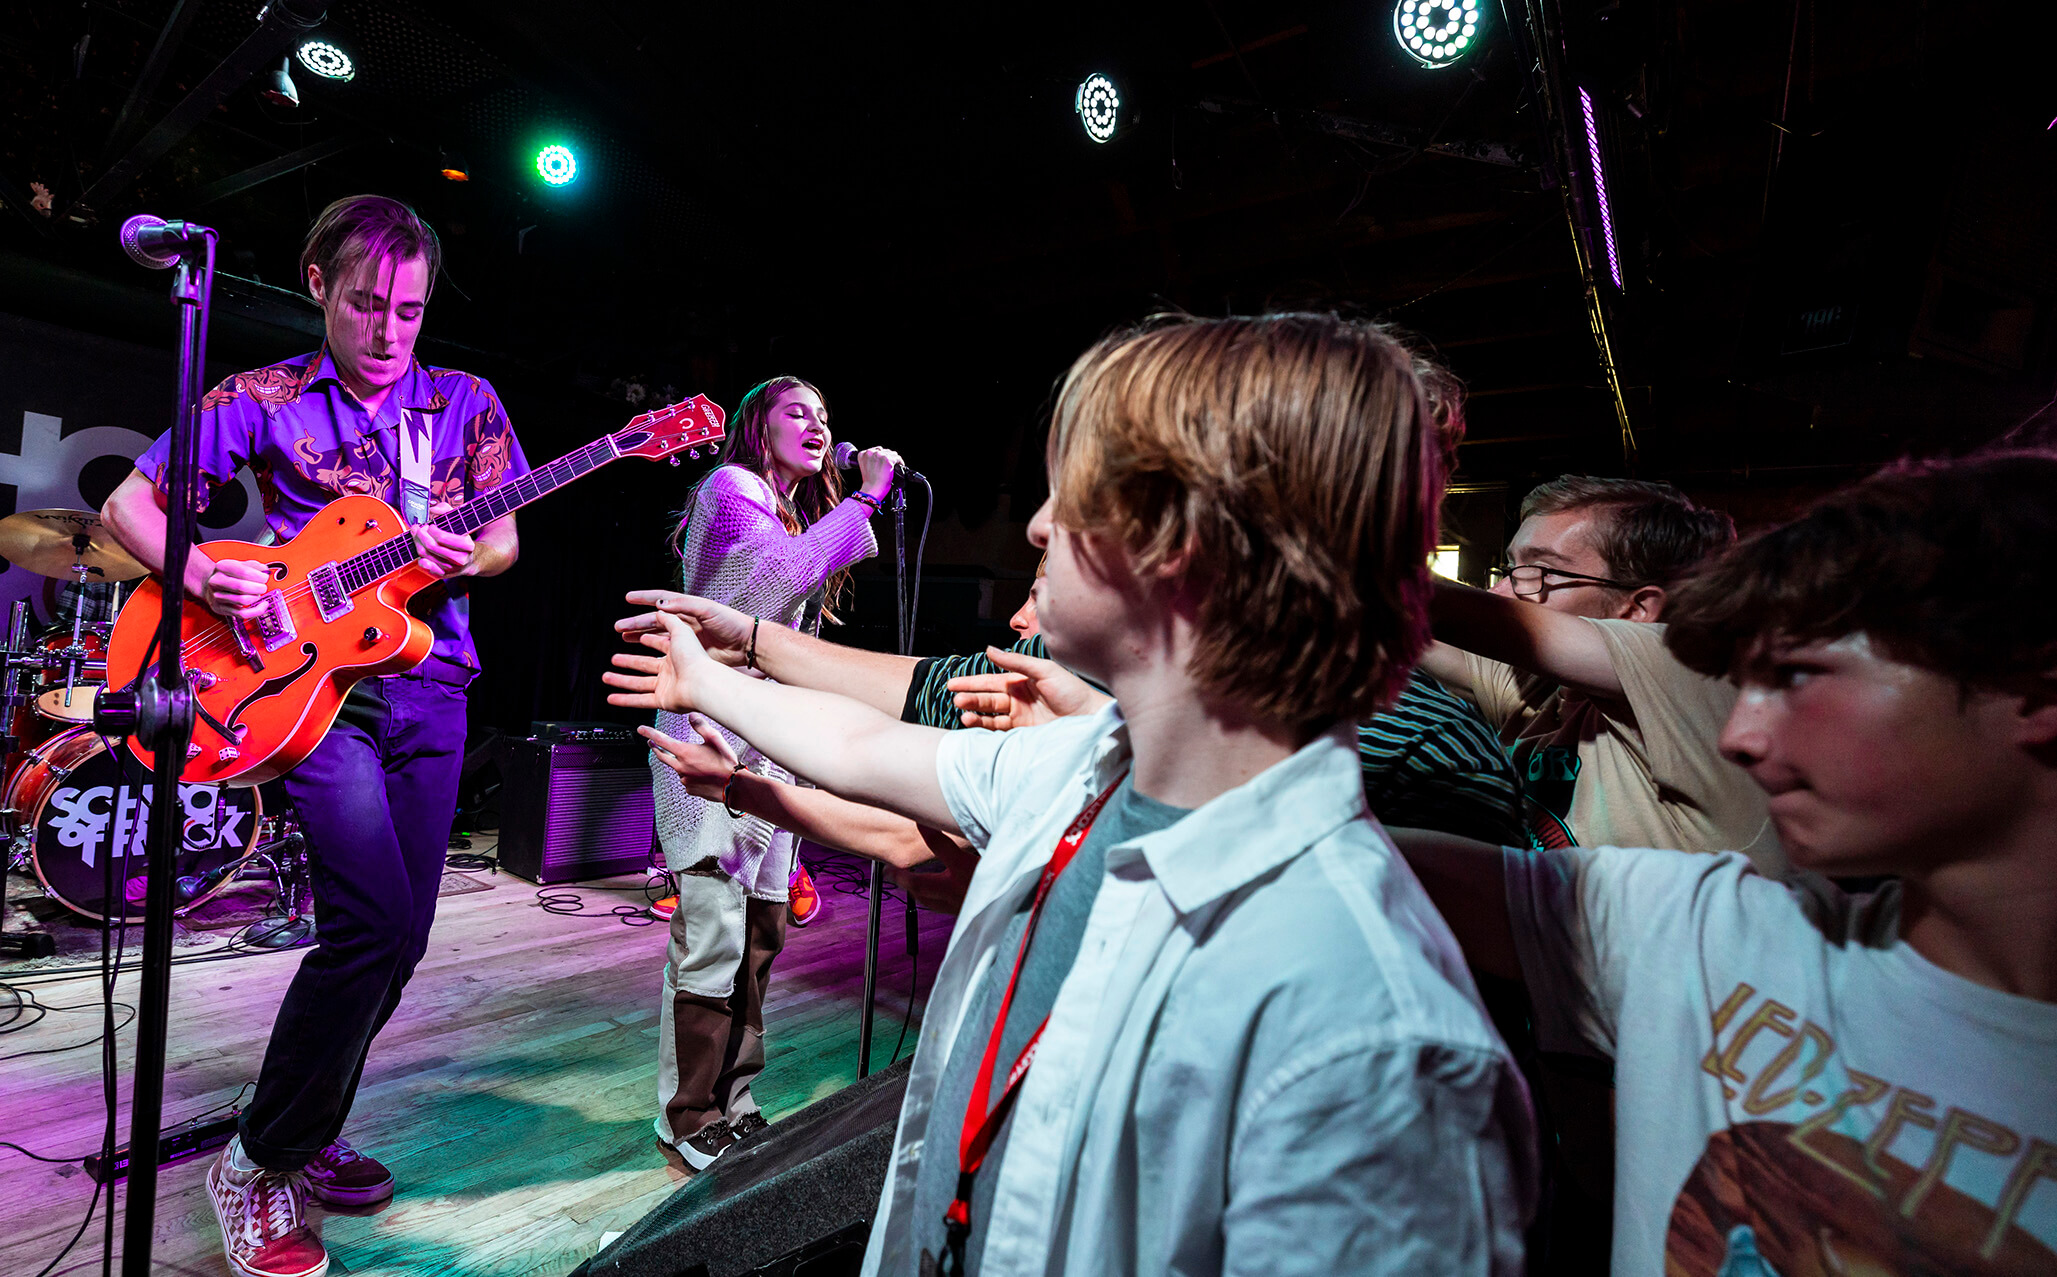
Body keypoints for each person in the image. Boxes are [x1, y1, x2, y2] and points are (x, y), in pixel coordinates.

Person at [609, 312, 1536, 1276]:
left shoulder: (1370, 1046)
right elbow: (863, 740)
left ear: (1190, 547)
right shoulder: (1082, 763)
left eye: (1073, 491)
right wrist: (710, 674)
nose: (1038, 524)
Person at [1391, 450, 2057, 1275]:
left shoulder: (1672, 672)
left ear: (2036, 689)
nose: (1741, 736)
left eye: (1800, 674)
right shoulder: (1701, 930)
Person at [100, 194, 526, 1277]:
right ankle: (258, 1161)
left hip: (430, 680)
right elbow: (128, 509)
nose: (388, 331)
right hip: (312, 690)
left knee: (405, 935)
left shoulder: (462, 400)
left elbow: (506, 536)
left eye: (410, 310)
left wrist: (459, 554)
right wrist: (204, 570)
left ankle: (305, 1111)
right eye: (365, 304)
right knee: (369, 923)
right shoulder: (265, 396)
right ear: (317, 285)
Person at [649, 375, 901, 1170]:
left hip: (767, 744)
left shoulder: (790, 510)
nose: (818, 425)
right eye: (798, 411)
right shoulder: (730, 486)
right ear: (757, 424)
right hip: (709, 736)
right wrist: (865, 500)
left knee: (761, 930)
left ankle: (736, 1097)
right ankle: (686, 1113)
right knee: (713, 930)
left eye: (826, 415)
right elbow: (771, 581)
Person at [1419, 476, 1784, 871]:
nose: (1501, 593)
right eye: (1512, 569)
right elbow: (1397, 621)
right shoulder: (1541, 689)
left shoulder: (1690, 669)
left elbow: (1429, 604)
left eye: (1541, 571)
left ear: (1638, 608)